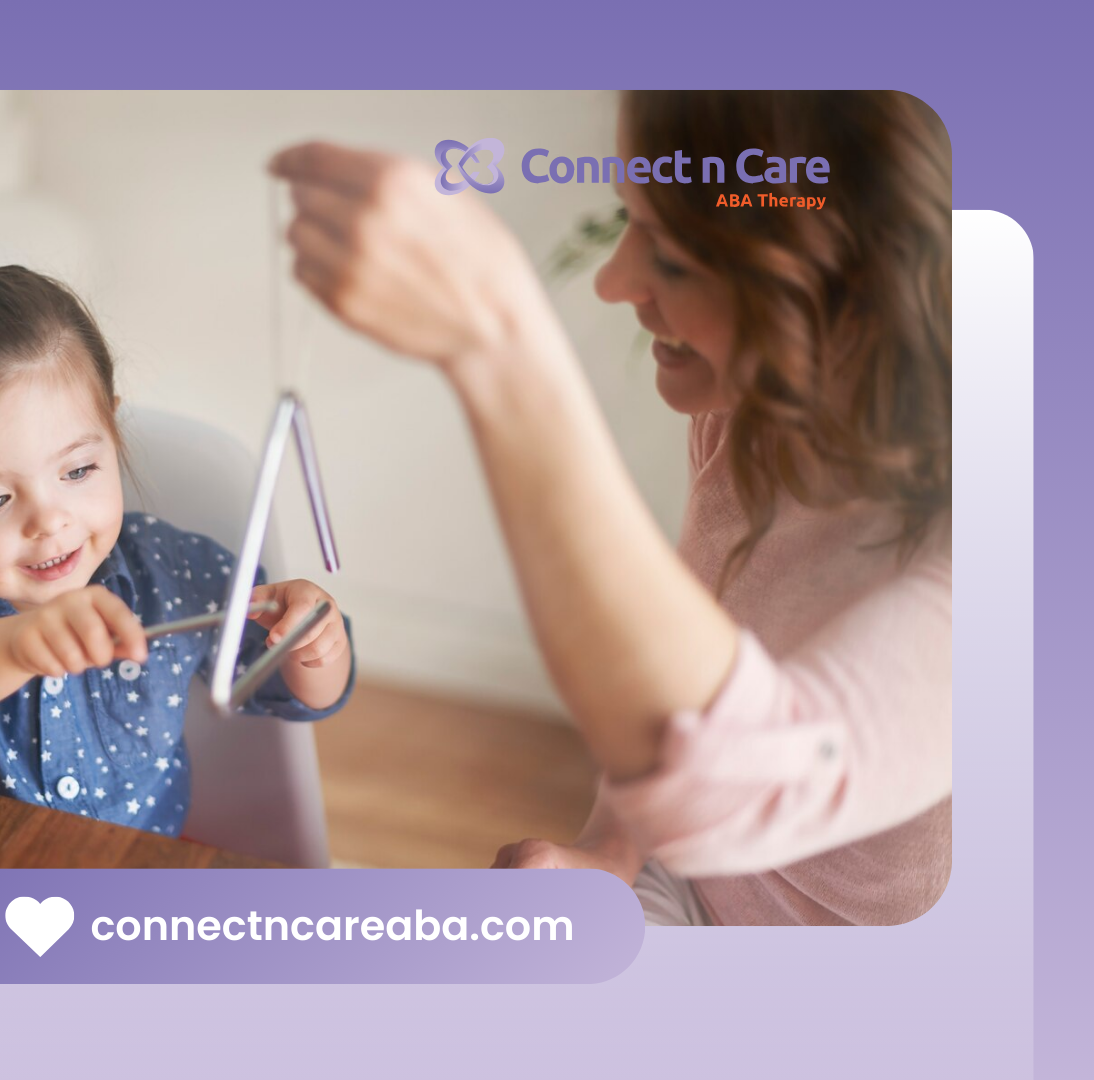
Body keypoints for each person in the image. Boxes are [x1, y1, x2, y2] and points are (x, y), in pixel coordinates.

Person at [272, 91, 950, 925]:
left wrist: (498, 342)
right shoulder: (755, 416)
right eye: (628, 219)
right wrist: (608, 858)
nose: (613, 279)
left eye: (671, 255)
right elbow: (680, 702)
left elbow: (742, 781)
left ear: (851, 280)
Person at [0, 223, 354, 836]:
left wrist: (312, 641)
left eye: (79, 469)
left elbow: (301, 690)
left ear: (112, 435)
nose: (49, 520)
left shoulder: (172, 573)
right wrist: (17, 645)